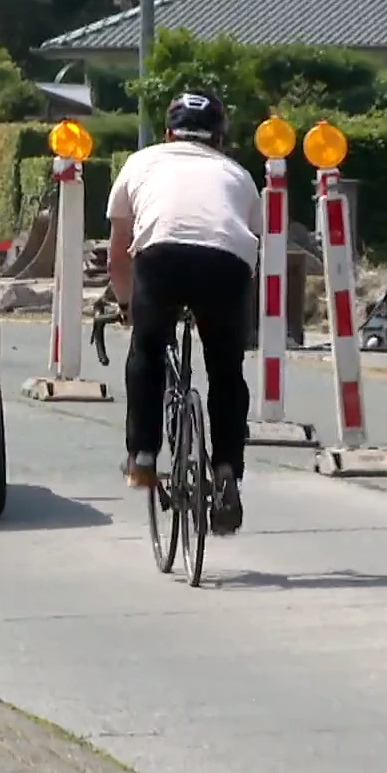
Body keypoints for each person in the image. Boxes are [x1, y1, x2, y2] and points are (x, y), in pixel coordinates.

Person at [105, 91, 264, 536]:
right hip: (225, 264)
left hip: (162, 257)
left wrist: (125, 304)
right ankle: (228, 468)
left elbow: (120, 252)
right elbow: (251, 241)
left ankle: (142, 455)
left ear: (167, 133)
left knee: (148, 350)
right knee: (226, 372)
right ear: (220, 137)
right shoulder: (238, 174)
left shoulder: (140, 163)